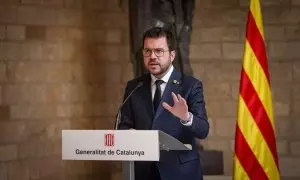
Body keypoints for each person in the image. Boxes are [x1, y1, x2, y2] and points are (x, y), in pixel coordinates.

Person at [117, 27, 209, 180]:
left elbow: (203, 130)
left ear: (172, 55)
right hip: (143, 172)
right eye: (147, 51)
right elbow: (124, 126)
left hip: (179, 172)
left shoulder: (190, 85)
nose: (152, 56)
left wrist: (186, 118)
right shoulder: (134, 86)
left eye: (159, 51)